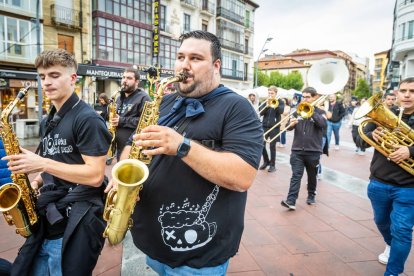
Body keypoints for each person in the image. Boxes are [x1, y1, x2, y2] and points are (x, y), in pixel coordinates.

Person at [106, 30, 263, 275]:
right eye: (180, 57)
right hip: (153, 243)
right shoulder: (165, 102)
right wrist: (123, 171)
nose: (184, 65)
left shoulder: (238, 108)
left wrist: (182, 146)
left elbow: (243, 176)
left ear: (216, 65)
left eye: (195, 58)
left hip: (199, 254)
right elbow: (134, 142)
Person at [2, 48, 111, 275]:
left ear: (73, 78)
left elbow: (95, 175)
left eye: (54, 75)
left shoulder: (88, 119)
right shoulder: (48, 120)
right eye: (42, 77)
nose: (46, 82)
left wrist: (42, 164)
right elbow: (56, 161)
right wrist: (36, 183)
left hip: (74, 222)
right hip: (47, 220)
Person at [357, 78, 414, 276]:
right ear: (397, 94)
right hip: (379, 183)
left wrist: (410, 150)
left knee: (402, 231)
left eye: (412, 91)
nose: (407, 95)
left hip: (409, 187)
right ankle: (390, 244)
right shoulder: (384, 116)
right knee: (381, 221)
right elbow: (360, 141)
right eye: (403, 91)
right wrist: (372, 135)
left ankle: (393, 272)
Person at [281, 87, 327, 210]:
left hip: (313, 150)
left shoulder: (320, 112)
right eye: (303, 96)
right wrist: (291, 124)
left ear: (314, 97)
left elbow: (323, 125)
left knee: (312, 176)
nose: (304, 99)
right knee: (296, 175)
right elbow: (287, 127)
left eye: (307, 97)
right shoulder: (297, 111)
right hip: (297, 150)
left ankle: (311, 194)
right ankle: (291, 200)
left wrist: (312, 113)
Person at [110, 67, 151, 161]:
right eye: (123, 77)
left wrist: (121, 121)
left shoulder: (144, 98)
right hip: (120, 148)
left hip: (134, 148)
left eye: (129, 78)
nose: (124, 81)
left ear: (137, 82)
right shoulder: (119, 98)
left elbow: (146, 122)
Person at [259, 86, 285, 172]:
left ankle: (272, 165)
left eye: (272, 93)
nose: (270, 95)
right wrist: (267, 105)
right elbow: (261, 113)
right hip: (264, 126)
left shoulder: (280, 101)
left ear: (276, 93)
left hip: (274, 127)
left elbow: (281, 111)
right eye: (269, 93)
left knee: (272, 146)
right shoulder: (265, 101)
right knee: (261, 145)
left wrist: (275, 104)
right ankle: (266, 161)